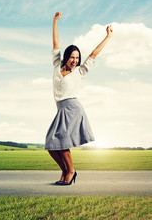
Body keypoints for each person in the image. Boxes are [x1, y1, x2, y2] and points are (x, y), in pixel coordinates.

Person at [45, 12, 113, 186]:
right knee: (51, 144)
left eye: (77, 58)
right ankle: (66, 171)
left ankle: (70, 172)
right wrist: (54, 22)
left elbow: (94, 54)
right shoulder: (56, 65)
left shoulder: (80, 71)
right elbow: (55, 43)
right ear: (66, 57)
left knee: (62, 143)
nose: (74, 60)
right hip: (60, 109)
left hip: (73, 109)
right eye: (72, 57)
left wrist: (108, 36)